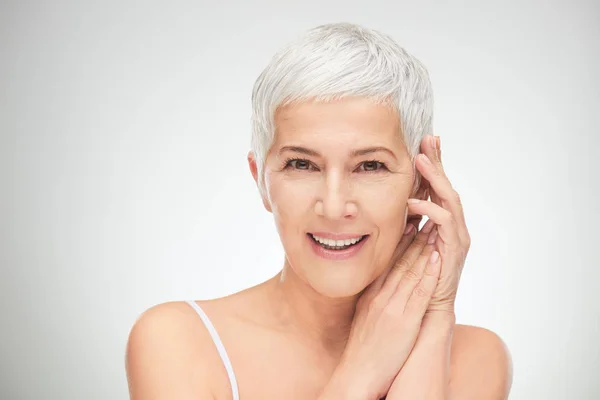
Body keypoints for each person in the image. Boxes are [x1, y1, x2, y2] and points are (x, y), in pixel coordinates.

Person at [125, 22, 512, 399]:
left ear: (420, 181)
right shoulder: (178, 342)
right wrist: (361, 370)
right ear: (261, 180)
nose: (333, 206)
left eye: (370, 165)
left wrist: (434, 321)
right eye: (302, 164)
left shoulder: (475, 359)